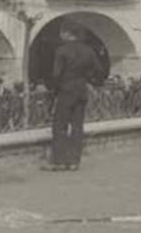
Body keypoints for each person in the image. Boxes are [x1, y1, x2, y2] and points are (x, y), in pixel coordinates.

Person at [43, 25, 102, 172]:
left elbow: (56, 74)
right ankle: (74, 161)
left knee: (59, 126)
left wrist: (54, 89)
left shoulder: (62, 50)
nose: (60, 35)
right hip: (81, 90)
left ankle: (59, 161)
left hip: (66, 90)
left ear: (67, 33)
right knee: (77, 127)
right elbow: (99, 71)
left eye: (62, 32)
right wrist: (87, 79)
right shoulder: (89, 51)